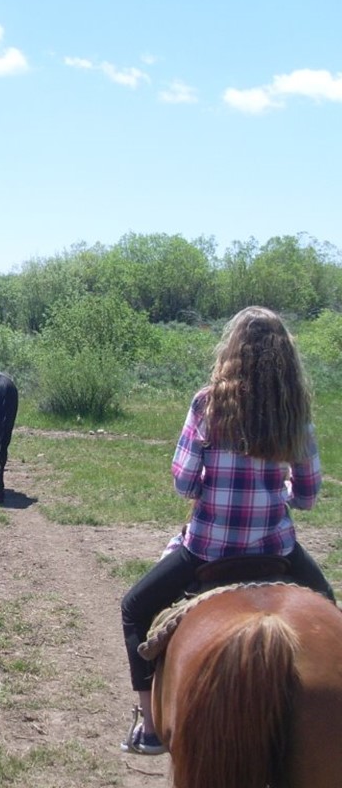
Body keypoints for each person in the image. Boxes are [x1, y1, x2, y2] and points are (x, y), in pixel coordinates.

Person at [120, 306, 336, 756]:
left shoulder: (207, 403)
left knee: (135, 608)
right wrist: (284, 493)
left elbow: (183, 481)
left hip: (207, 549)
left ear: (232, 351)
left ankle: (150, 727)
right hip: (277, 548)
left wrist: (209, 485)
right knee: (329, 614)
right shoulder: (293, 411)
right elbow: (309, 494)